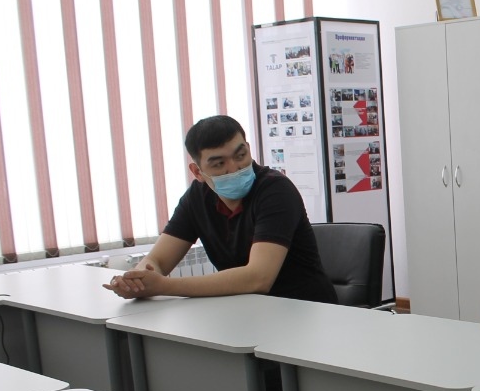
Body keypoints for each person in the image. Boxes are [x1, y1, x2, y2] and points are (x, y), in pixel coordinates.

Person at [104, 115, 337, 304]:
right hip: (245, 310)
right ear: (197, 172)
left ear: (248, 149)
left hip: (305, 311)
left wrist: (164, 286)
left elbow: (259, 278)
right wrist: (136, 279)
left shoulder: (276, 190)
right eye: (219, 164)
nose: (234, 168)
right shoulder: (197, 197)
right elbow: (158, 260)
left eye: (240, 155)